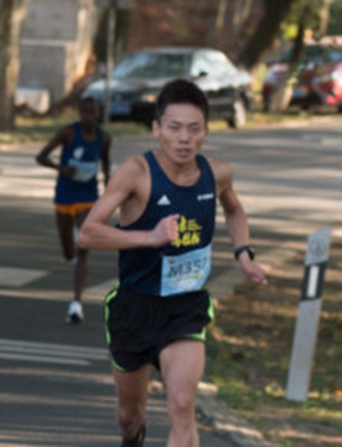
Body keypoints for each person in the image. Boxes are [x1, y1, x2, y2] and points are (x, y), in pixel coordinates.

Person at [79, 79, 267, 446]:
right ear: (157, 129)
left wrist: (243, 252)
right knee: (128, 416)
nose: (184, 138)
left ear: (206, 133)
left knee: (182, 403)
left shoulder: (217, 174)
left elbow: (234, 209)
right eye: (174, 127)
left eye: (194, 129)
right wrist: (148, 238)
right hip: (134, 306)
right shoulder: (137, 173)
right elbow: (88, 233)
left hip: (185, 306)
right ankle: (133, 435)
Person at [35, 97, 111, 323]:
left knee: (84, 244)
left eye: (93, 112)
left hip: (89, 197)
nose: (89, 116)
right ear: (79, 113)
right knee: (69, 252)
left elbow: (106, 164)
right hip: (65, 197)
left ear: (98, 114)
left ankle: (76, 303)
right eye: (85, 112)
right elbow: (41, 156)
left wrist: (108, 195)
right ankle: (75, 254)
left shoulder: (104, 138)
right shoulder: (68, 133)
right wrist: (61, 168)